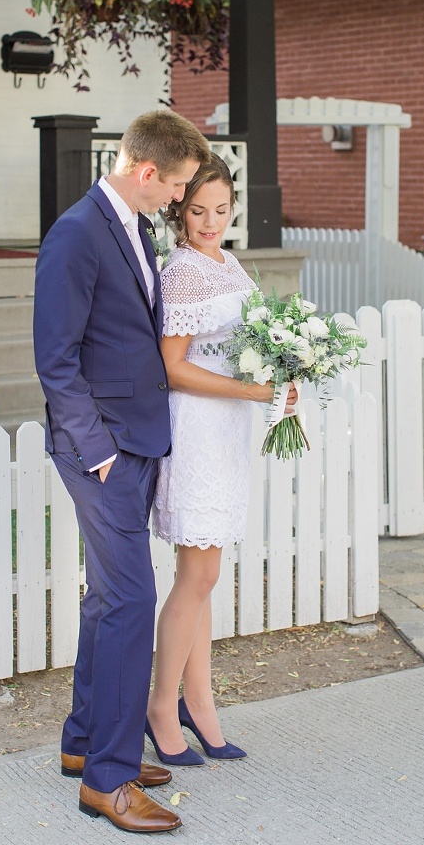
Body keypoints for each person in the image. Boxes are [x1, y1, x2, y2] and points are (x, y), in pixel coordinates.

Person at [33, 110, 210, 833]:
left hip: (137, 443)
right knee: (133, 602)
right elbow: (55, 360)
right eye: (173, 186)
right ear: (144, 173)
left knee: (108, 602)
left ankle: (83, 746)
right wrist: (100, 451)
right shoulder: (76, 233)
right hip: (98, 451)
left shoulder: (132, 227)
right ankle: (108, 781)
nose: (176, 200)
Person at [147, 154, 297, 764]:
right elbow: (174, 366)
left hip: (229, 430)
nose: (210, 222)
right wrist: (250, 390)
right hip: (199, 431)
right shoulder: (182, 271)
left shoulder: (229, 263)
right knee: (197, 575)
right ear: (179, 210)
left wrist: (286, 369)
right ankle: (161, 704)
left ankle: (200, 701)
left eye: (221, 209)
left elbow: (246, 344)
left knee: (205, 579)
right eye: (198, 210)